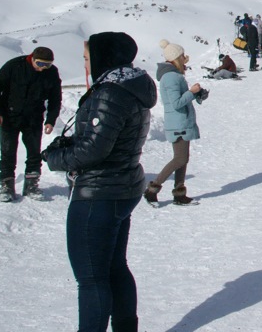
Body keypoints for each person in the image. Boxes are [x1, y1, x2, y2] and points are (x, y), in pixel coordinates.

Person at [42, 32, 156, 332]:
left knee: (92, 279)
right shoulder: (130, 86)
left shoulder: (111, 91)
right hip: (122, 186)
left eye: (87, 56)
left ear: (104, 56)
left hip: (99, 193)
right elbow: (106, 137)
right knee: (115, 267)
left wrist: (56, 159)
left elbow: (94, 149)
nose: (84, 61)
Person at [0, 46, 62, 202]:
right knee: (8, 153)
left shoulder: (52, 73)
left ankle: (31, 185)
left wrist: (50, 120)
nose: (43, 69)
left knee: (34, 153)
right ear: (32, 58)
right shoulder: (14, 66)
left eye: (47, 65)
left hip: (34, 118)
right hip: (10, 116)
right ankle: (7, 186)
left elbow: (55, 98)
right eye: (41, 64)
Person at [143, 40, 202, 206]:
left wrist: (196, 94)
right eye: (182, 55)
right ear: (176, 57)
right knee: (180, 159)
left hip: (181, 122)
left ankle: (179, 193)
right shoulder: (171, 77)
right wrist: (192, 92)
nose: (185, 58)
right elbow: (176, 103)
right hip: (178, 123)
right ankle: (152, 189)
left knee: (183, 158)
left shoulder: (173, 75)